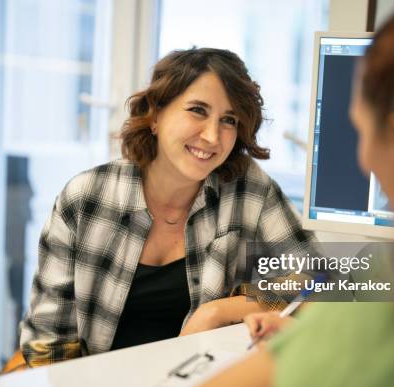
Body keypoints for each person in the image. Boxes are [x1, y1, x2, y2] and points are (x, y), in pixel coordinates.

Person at [176, 1, 394, 387]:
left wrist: (320, 339)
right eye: (196, 112)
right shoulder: (90, 194)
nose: (210, 136)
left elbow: (311, 278)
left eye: (360, 130)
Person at [18, 48, 314, 367]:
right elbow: (47, 343)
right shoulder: (85, 198)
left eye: (228, 120)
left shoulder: (248, 189)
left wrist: (217, 312)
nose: (212, 136)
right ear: (156, 115)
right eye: (198, 110)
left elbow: (318, 282)